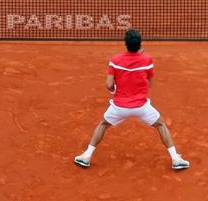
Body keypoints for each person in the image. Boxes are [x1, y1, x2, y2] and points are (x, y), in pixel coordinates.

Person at [74, 29, 190, 170]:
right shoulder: (147, 60)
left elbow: (109, 85)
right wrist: (139, 61)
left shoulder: (115, 61)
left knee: (103, 125)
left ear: (126, 44)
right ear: (139, 44)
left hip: (119, 107)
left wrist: (115, 90)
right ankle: (176, 159)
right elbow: (150, 83)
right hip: (141, 107)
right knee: (160, 125)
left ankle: (86, 156)